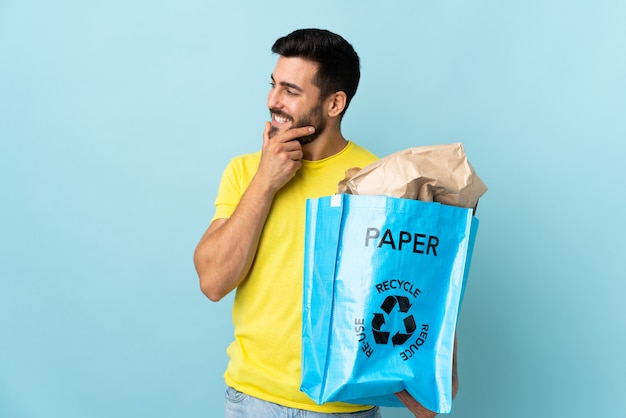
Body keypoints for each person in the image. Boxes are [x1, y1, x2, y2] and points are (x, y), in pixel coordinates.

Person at [193, 28, 456, 418]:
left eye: (290, 91)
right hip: (251, 400)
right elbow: (214, 282)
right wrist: (265, 181)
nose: (272, 101)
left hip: (342, 407)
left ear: (335, 104)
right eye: (273, 86)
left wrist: (428, 387)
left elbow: (417, 293)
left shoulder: (381, 183)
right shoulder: (245, 171)